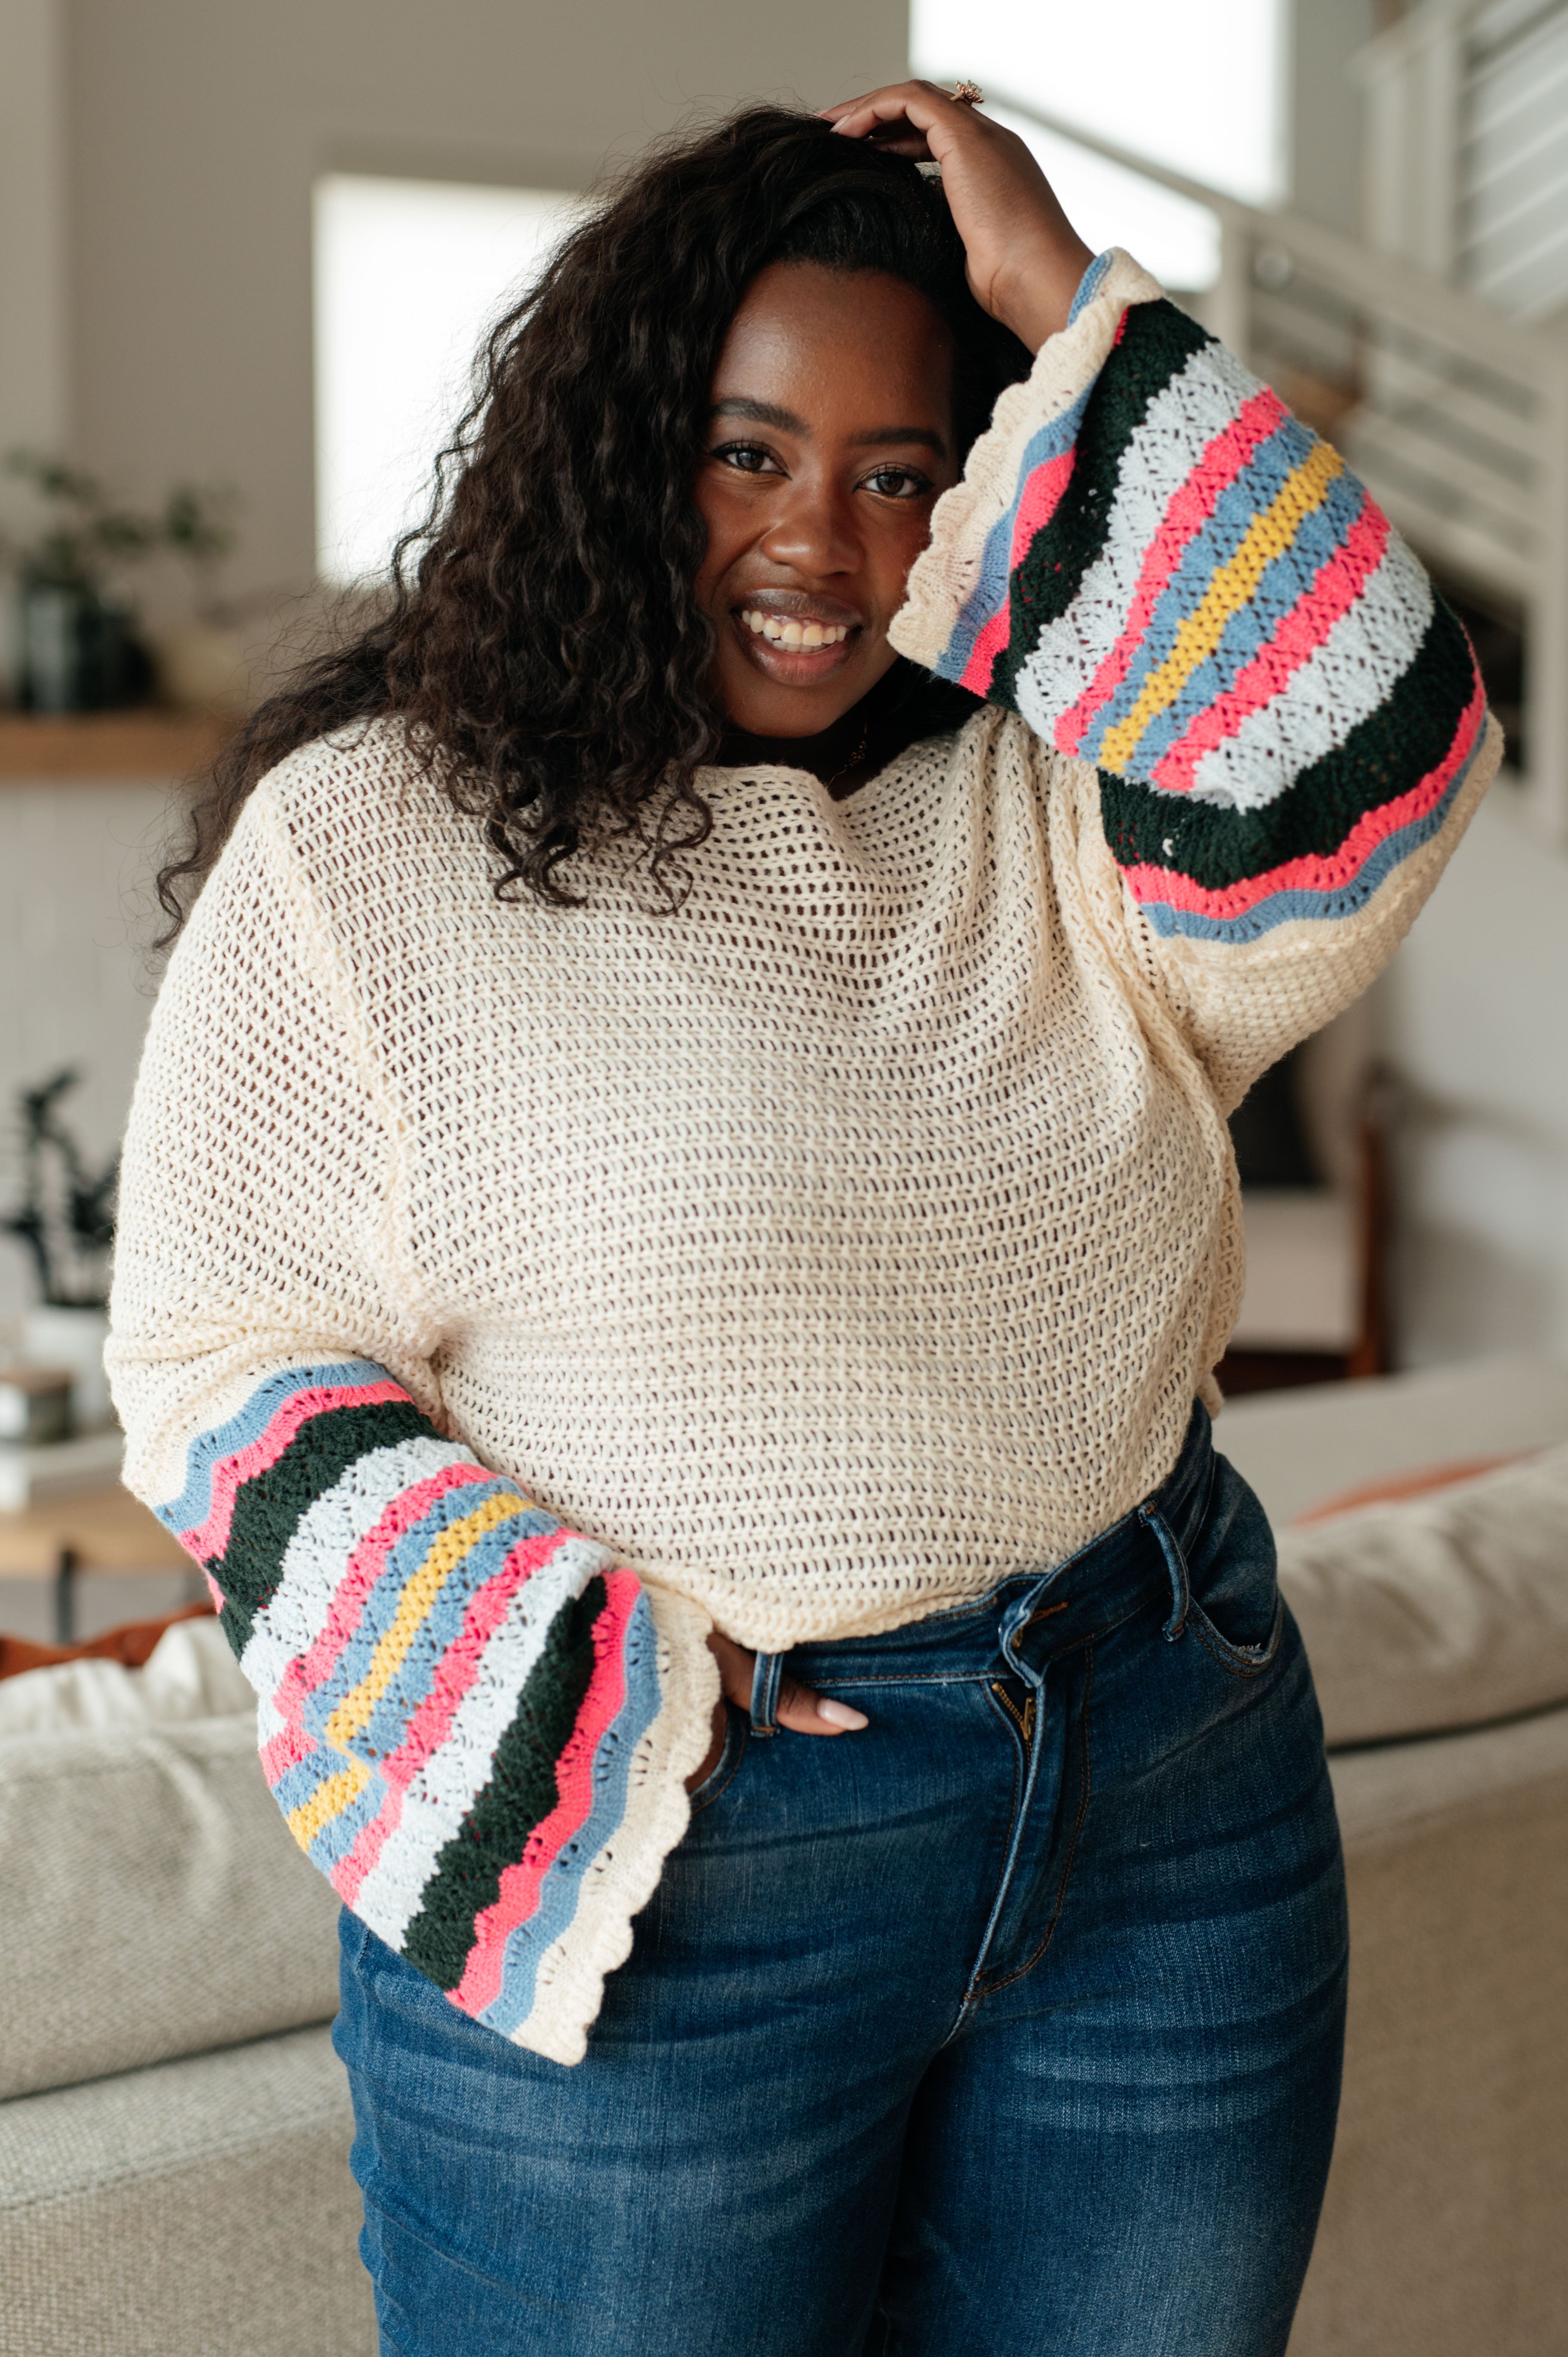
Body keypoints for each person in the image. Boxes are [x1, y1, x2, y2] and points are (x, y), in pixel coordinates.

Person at [108, 83, 1498, 2357]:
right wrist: (602, 1692)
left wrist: (1061, 288)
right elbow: (217, 1351)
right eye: (748, 451)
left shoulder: (1068, 810)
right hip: (668, 1860)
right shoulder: (375, 846)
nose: (820, 545)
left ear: (993, 485)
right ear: (627, 443)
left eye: (897, 469)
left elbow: (1384, 758)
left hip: (1164, 1765)